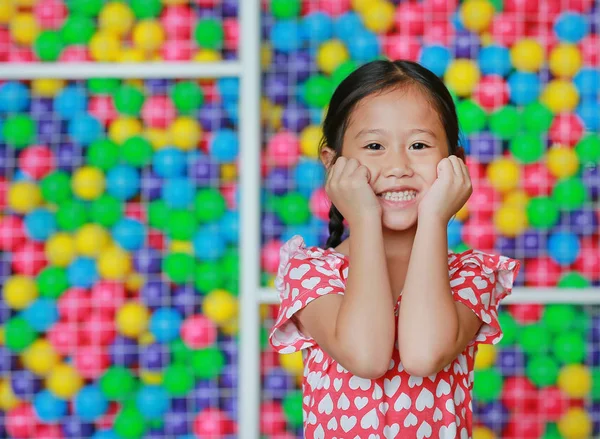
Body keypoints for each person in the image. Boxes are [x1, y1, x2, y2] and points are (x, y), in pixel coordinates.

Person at [269, 59, 520, 439]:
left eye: (419, 145)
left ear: (456, 164)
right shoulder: (311, 271)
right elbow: (367, 357)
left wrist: (435, 219)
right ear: (333, 164)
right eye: (374, 146)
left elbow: (423, 355)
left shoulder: (473, 274)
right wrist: (365, 218)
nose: (398, 166)